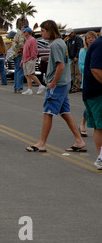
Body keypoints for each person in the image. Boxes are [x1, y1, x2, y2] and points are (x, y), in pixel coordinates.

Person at [26, 20, 86, 153]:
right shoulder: (61, 43)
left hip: (58, 84)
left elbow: (61, 65)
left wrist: (52, 83)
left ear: (49, 31)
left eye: (43, 31)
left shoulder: (55, 45)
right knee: (65, 112)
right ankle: (79, 140)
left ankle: (42, 143)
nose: (41, 33)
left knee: (48, 112)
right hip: (64, 82)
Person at [82, 32, 102, 169]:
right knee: (100, 126)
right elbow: (95, 69)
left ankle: (101, 157)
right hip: (96, 93)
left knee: (99, 127)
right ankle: (100, 158)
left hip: (93, 92)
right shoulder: (100, 45)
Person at [78, 31, 98, 137]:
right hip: (88, 82)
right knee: (90, 106)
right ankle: (82, 124)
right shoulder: (83, 51)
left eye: (92, 37)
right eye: (88, 38)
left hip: (98, 82)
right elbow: (81, 67)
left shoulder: (98, 50)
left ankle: (83, 124)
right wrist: (92, 68)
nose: (90, 39)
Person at [21, 27, 46, 95]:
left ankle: (40, 85)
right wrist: (22, 60)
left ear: (27, 32)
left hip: (30, 60)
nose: (23, 33)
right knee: (27, 75)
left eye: (24, 32)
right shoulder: (27, 40)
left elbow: (34, 50)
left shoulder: (32, 40)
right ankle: (29, 89)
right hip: (25, 60)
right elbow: (24, 51)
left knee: (30, 74)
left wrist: (32, 58)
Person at [66, 28, 84, 93]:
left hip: (77, 58)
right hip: (71, 58)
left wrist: (77, 56)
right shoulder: (68, 40)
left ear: (72, 33)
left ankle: (77, 86)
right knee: (71, 73)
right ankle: (73, 85)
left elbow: (79, 48)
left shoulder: (78, 39)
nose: (68, 36)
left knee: (77, 73)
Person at [12, 29, 27, 93]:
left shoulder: (16, 34)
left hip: (14, 54)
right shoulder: (21, 35)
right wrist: (24, 52)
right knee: (20, 71)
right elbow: (21, 45)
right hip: (19, 54)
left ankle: (16, 87)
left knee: (16, 71)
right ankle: (19, 88)